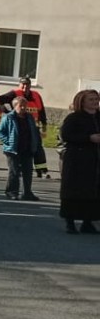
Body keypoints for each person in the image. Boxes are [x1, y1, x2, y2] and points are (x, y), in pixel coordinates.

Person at [58, 91, 100, 235]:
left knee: (94, 191)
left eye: (96, 99)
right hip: (77, 159)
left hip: (95, 160)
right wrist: (88, 138)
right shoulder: (74, 118)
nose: (95, 102)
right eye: (91, 99)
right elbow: (66, 135)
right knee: (74, 191)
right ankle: (70, 223)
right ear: (82, 102)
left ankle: (88, 223)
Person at [0, 101, 41, 201]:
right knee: (14, 171)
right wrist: (8, 142)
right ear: (15, 106)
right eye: (21, 106)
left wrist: (34, 143)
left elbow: (34, 131)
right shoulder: (8, 117)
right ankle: (12, 192)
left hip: (27, 148)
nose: (23, 108)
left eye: (25, 106)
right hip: (13, 150)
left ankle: (27, 193)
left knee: (28, 172)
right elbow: (0, 132)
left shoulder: (29, 117)